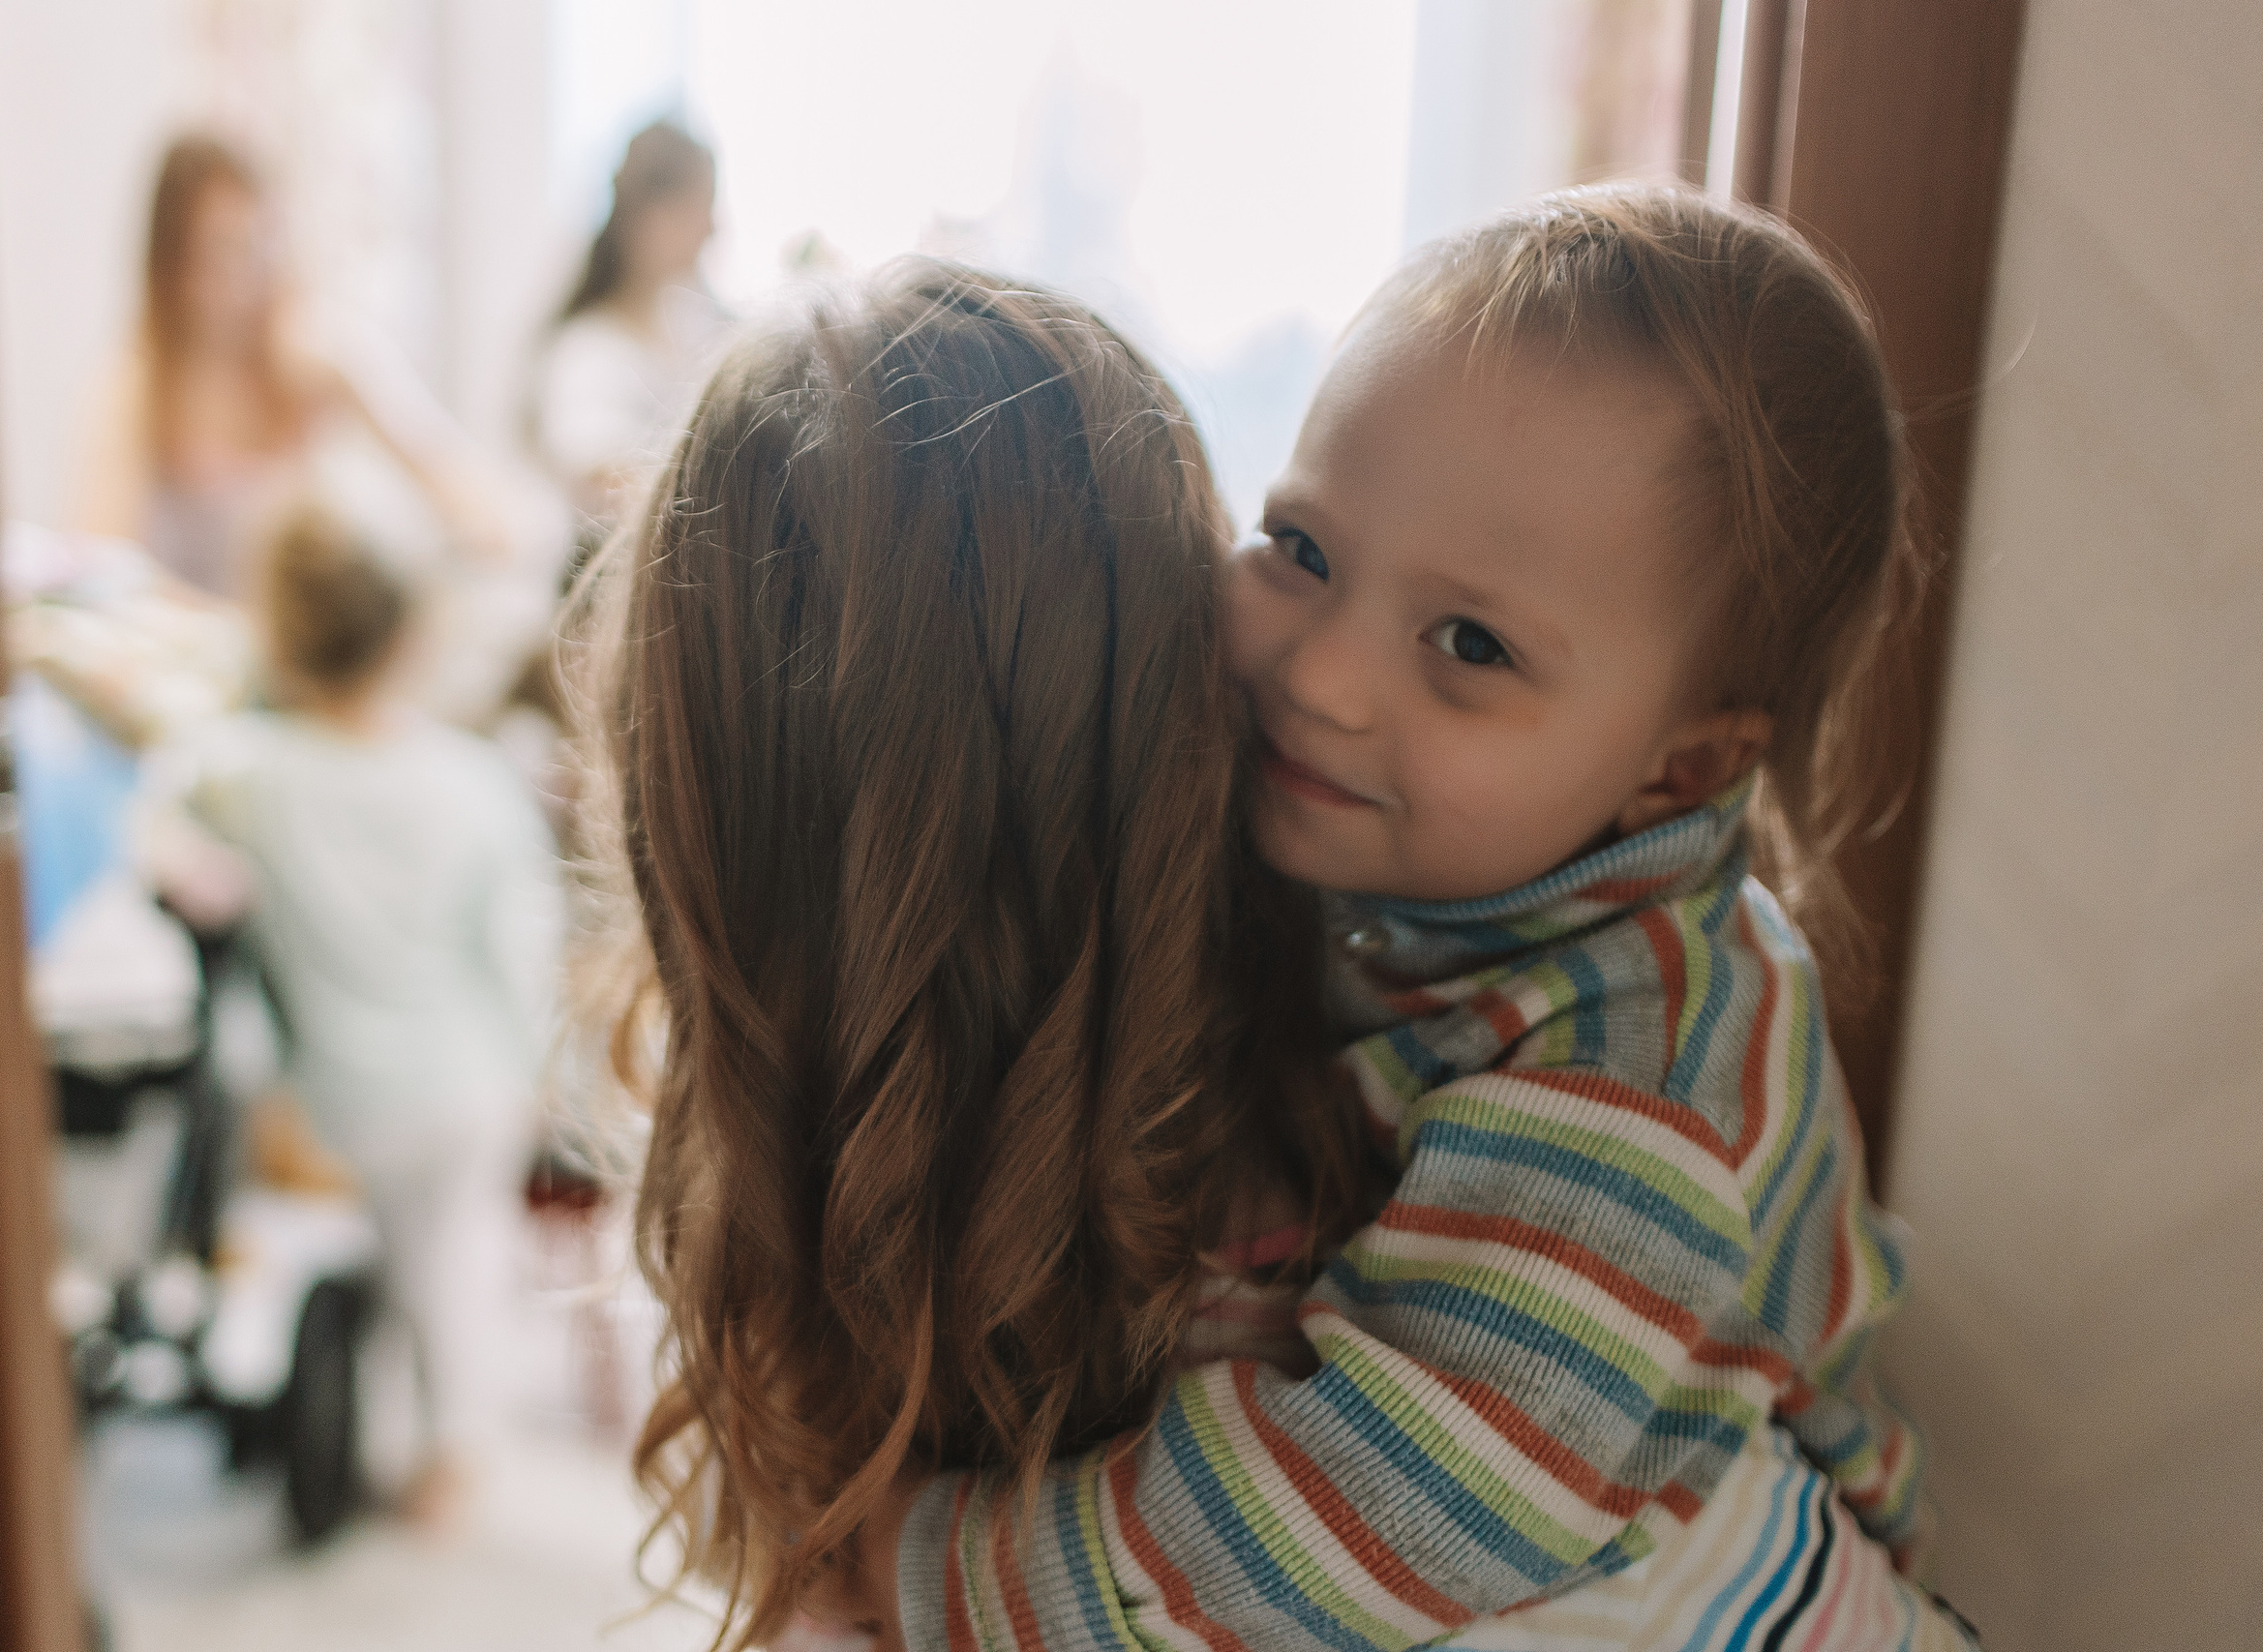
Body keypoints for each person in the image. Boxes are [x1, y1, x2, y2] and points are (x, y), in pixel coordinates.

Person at [581, 256, 1965, 1651]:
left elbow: (1383, 1508)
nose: (1320, 675)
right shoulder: (1438, 855)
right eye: (1301, 547)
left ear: (1684, 769)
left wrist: (948, 1573)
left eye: (1469, 642)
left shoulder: (1633, 1084)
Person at [154, 509, 559, 1524]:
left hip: (342, 1095)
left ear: (278, 636)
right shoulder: (474, 785)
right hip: (471, 1074)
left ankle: (374, 1427)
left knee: (392, 1251)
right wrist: (541, 1070)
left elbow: (155, 806)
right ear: (414, 638)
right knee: (456, 1262)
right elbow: (518, 950)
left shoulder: (250, 775)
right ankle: (456, 1451)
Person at [75, 134, 497, 599]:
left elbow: (450, 477)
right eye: (221, 253)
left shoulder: (317, 353)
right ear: (173, 264)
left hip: (301, 653)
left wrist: (481, 540)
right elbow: (102, 563)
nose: (246, 279)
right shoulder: (138, 382)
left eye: (259, 247)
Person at [529, 119, 726, 540]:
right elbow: (605, 486)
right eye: (700, 207)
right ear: (650, 219)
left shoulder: (694, 323)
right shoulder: (587, 352)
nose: (712, 229)